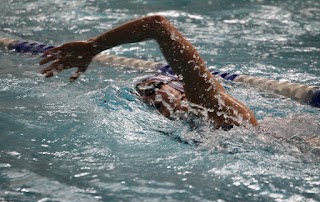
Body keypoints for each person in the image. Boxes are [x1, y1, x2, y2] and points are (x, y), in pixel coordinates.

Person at [39, 15, 258, 130]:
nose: (151, 96)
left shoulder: (210, 103)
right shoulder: (189, 123)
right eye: (148, 101)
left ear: (180, 89)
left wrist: (94, 46)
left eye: (154, 88)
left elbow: (157, 26)